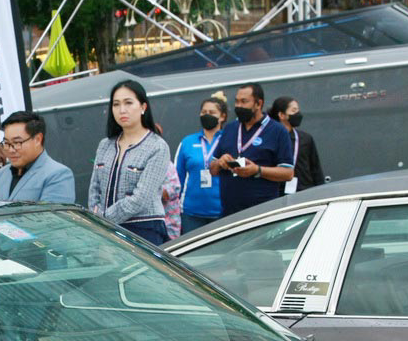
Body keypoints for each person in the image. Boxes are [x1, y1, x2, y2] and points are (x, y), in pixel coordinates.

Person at [86, 80, 173, 244]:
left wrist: (104, 218)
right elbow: (94, 189)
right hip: (104, 230)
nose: (122, 110)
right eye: (116, 104)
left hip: (143, 229)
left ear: (143, 107)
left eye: (128, 103)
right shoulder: (105, 145)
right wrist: (95, 216)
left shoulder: (157, 147)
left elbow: (140, 199)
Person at [210, 82, 294, 217]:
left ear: (258, 104)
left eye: (244, 102)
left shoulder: (277, 131)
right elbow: (212, 170)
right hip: (229, 214)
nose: (239, 106)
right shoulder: (230, 128)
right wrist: (220, 162)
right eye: (236, 101)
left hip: (261, 214)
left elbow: (288, 173)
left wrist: (257, 170)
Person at [0, 111, 76, 202]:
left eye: (17, 142)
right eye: (6, 143)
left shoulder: (57, 175)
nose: (11, 150)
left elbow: (53, 215)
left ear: (38, 139)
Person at [175, 94, 228, 234]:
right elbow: (177, 177)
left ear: (222, 116)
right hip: (191, 212)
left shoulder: (228, 140)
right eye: (204, 112)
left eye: (212, 113)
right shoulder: (188, 142)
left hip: (221, 211)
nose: (207, 115)